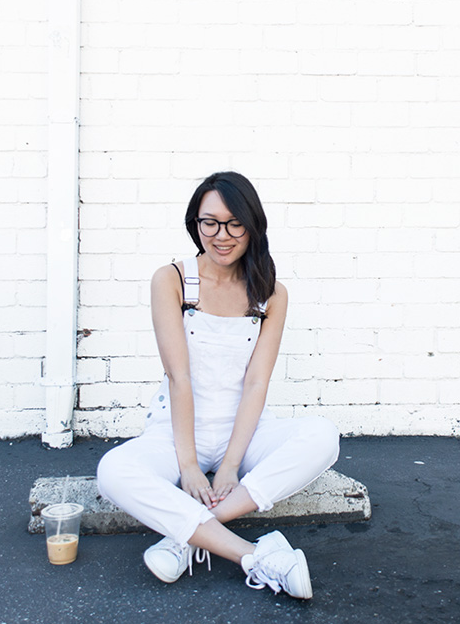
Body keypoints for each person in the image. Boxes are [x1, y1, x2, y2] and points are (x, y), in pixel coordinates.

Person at [96, 171, 340, 599]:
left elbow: (256, 383)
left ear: (252, 226)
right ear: (195, 223)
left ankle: (184, 537)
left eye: (234, 223)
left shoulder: (271, 293)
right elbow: (179, 376)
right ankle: (256, 556)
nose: (221, 235)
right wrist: (189, 465)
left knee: (323, 436)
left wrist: (229, 465)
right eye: (209, 222)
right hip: (177, 433)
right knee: (113, 471)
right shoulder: (172, 279)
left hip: (246, 432)